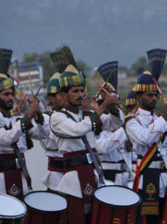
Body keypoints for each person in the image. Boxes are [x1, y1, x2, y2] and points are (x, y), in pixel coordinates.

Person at [49, 47, 122, 224]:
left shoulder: (87, 115)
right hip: (73, 178)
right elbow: (77, 130)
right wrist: (103, 107)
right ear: (63, 95)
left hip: (93, 172)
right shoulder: (57, 117)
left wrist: (111, 104)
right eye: (75, 91)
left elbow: (116, 123)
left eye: (81, 90)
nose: (80, 95)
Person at [125, 69, 167, 223]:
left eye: (155, 95)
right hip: (146, 179)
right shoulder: (132, 121)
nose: (154, 98)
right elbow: (146, 139)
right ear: (139, 98)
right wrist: (165, 117)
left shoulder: (162, 119)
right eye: (150, 95)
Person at [0, 48, 46, 199]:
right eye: (6, 94)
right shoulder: (20, 120)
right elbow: (7, 138)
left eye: (12, 94)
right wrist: (27, 116)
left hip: (21, 175)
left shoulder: (16, 119)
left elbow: (41, 135)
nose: (11, 98)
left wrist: (38, 116)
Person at [40, 72, 66, 192]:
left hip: (75, 172)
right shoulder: (46, 118)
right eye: (61, 95)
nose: (65, 97)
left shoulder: (74, 115)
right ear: (51, 98)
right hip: (57, 174)